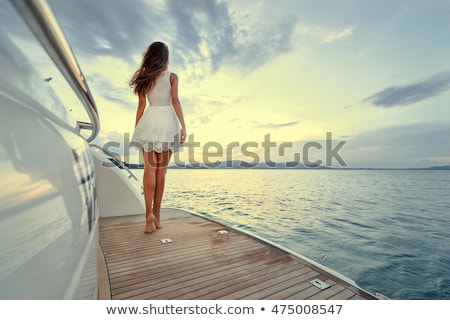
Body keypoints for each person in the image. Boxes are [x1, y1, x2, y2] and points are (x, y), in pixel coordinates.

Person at [129, 41, 186, 234]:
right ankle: (157, 215)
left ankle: (148, 217)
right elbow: (176, 101)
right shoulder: (172, 77)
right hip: (168, 122)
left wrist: (138, 127)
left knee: (149, 170)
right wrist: (184, 127)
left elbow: (141, 106)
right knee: (161, 173)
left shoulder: (145, 78)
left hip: (150, 121)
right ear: (165, 58)